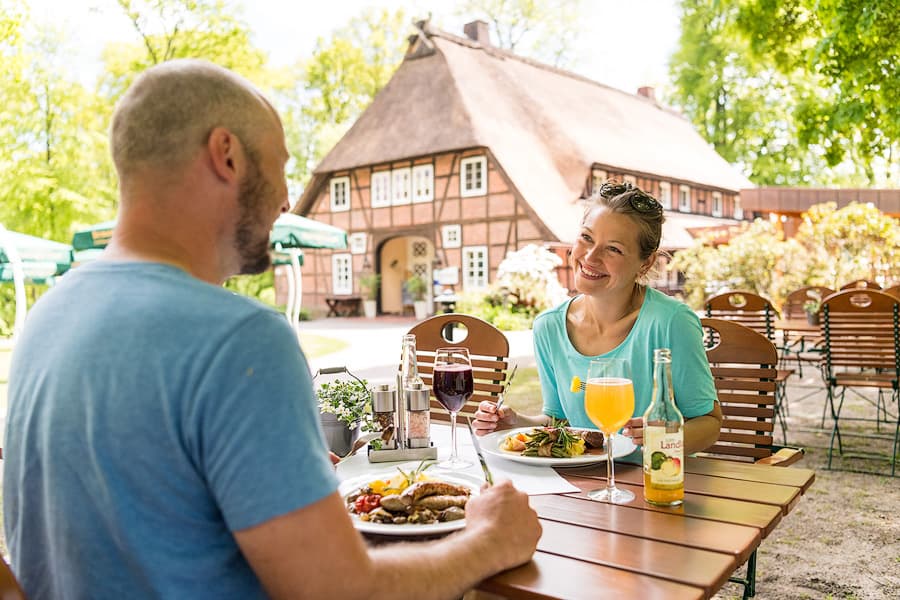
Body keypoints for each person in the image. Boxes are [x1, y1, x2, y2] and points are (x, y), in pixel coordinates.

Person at [3, 59, 540, 600]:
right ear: (228, 155)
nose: (287, 198)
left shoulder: (49, 315)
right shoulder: (240, 339)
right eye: (282, 165)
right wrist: (490, 540)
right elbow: (340, 592)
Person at [473, 181, 722, 457]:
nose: (590, 257)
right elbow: (561, 423)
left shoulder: (671, 323)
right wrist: (515, 423)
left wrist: (664, 437)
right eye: (586, 238)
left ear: (646, 263)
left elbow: (709, 423)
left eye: (613, 249)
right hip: (582, 487)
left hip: (655, 482)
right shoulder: (549, 326)